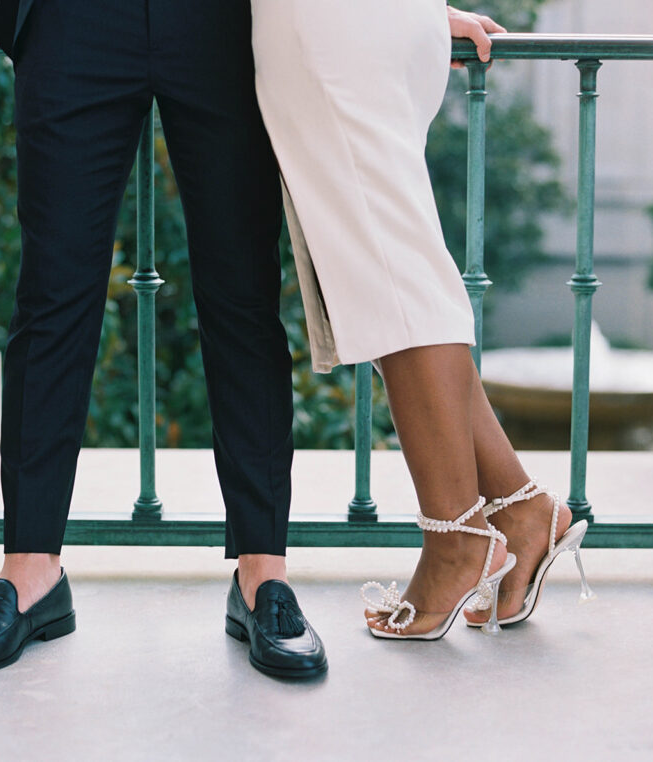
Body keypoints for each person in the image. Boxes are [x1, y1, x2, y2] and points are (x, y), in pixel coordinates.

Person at [0, 0, 331, 678]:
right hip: (74, 20)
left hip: (225, 23)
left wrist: (403, 15)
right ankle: (31, 574)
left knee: (243, 296)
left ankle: (263, 576)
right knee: (52, 296)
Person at [249, 0, 594, 638]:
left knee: (393, 274)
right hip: (380, 24)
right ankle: (519, 511)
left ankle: (458, 540)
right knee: (393, 268)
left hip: (326, 26)